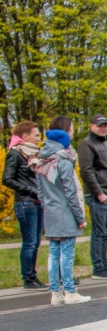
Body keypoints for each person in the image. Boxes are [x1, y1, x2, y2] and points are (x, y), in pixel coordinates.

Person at [34, 118, 91, 305]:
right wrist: (79, 216)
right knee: (67, 253)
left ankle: (55, 293)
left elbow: (40, 192)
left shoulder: (42, 161)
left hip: (50, 211)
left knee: (53, 252)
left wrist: (48, 206)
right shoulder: (63, 161)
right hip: (65, 211)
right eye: (72, 130)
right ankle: (70, 290)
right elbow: (71, 191)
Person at [78, 114, 107, 279]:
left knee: (106, 231)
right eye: (100, 125)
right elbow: (87, 171)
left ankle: (104, 263)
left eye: (105, 125)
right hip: (98, 195)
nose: (103, 128)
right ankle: (98, 267)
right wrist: (98, 193)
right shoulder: (87, 145)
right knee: (99, 231)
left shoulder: (106, 145)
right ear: (91, 126)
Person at [3, 121, 47, 289]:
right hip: (25, 202)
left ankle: (32, 276)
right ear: (25, 136)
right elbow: (7, 179)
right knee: (29, 241)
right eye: (36, 135)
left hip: (37, 201)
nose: (39, 138)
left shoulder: (35, 153)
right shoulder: (15, 153)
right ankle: (28, 278)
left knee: (36, 241)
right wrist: (29, 190)